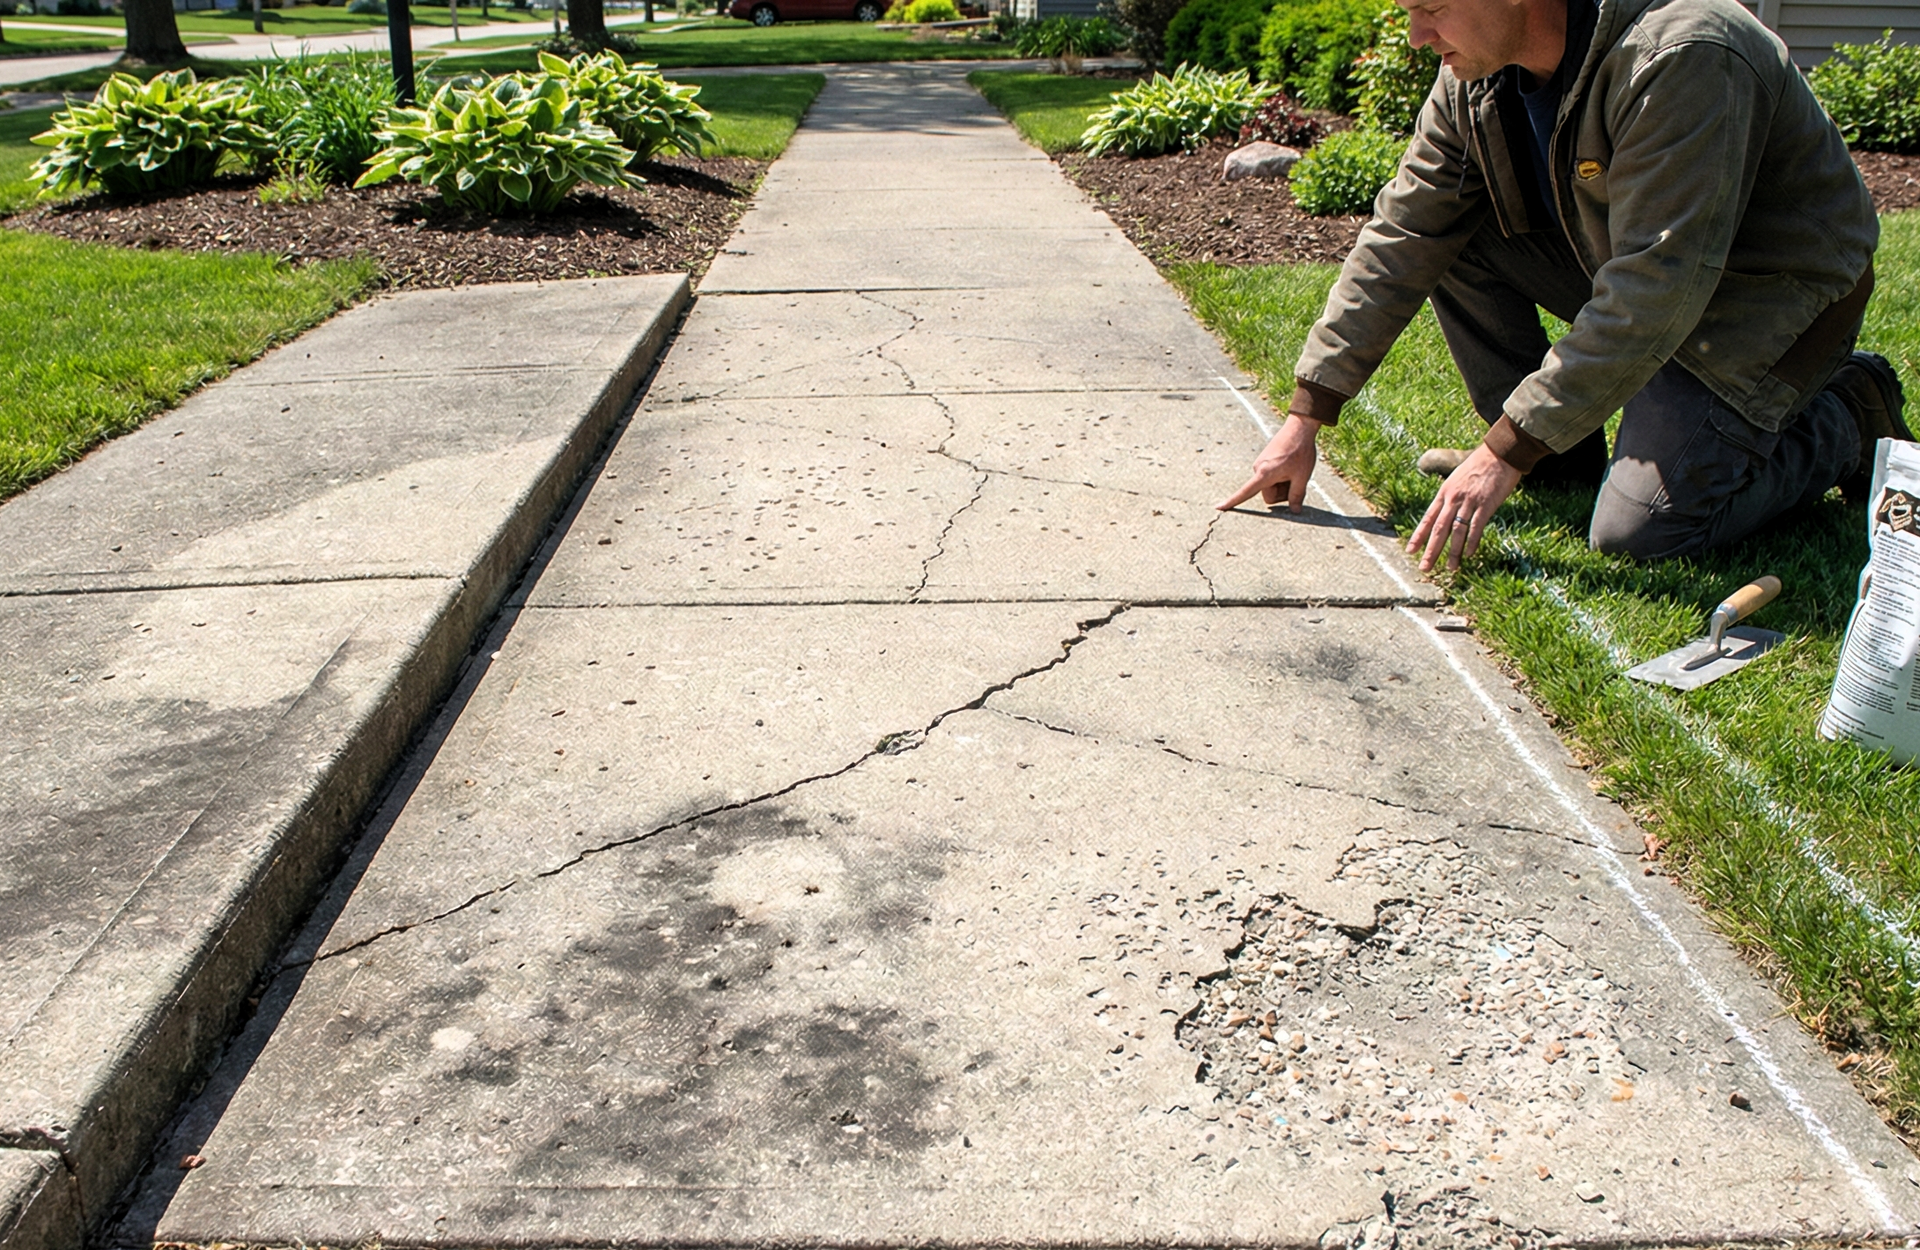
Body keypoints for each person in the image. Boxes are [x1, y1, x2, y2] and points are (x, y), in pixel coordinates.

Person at [1217, 0, 1911, 570]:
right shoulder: (1478, 69)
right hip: (1636, 266)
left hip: (1770, 298)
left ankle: (1848, 414)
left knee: (1641, 534)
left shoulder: (1684, 54)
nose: (1417, 37)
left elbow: (1656, 287)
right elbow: (1406, 229)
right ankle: (1559, 461)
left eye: (1430, 10)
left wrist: (1501, 452)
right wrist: (1308, 414)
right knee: (1453, 235)